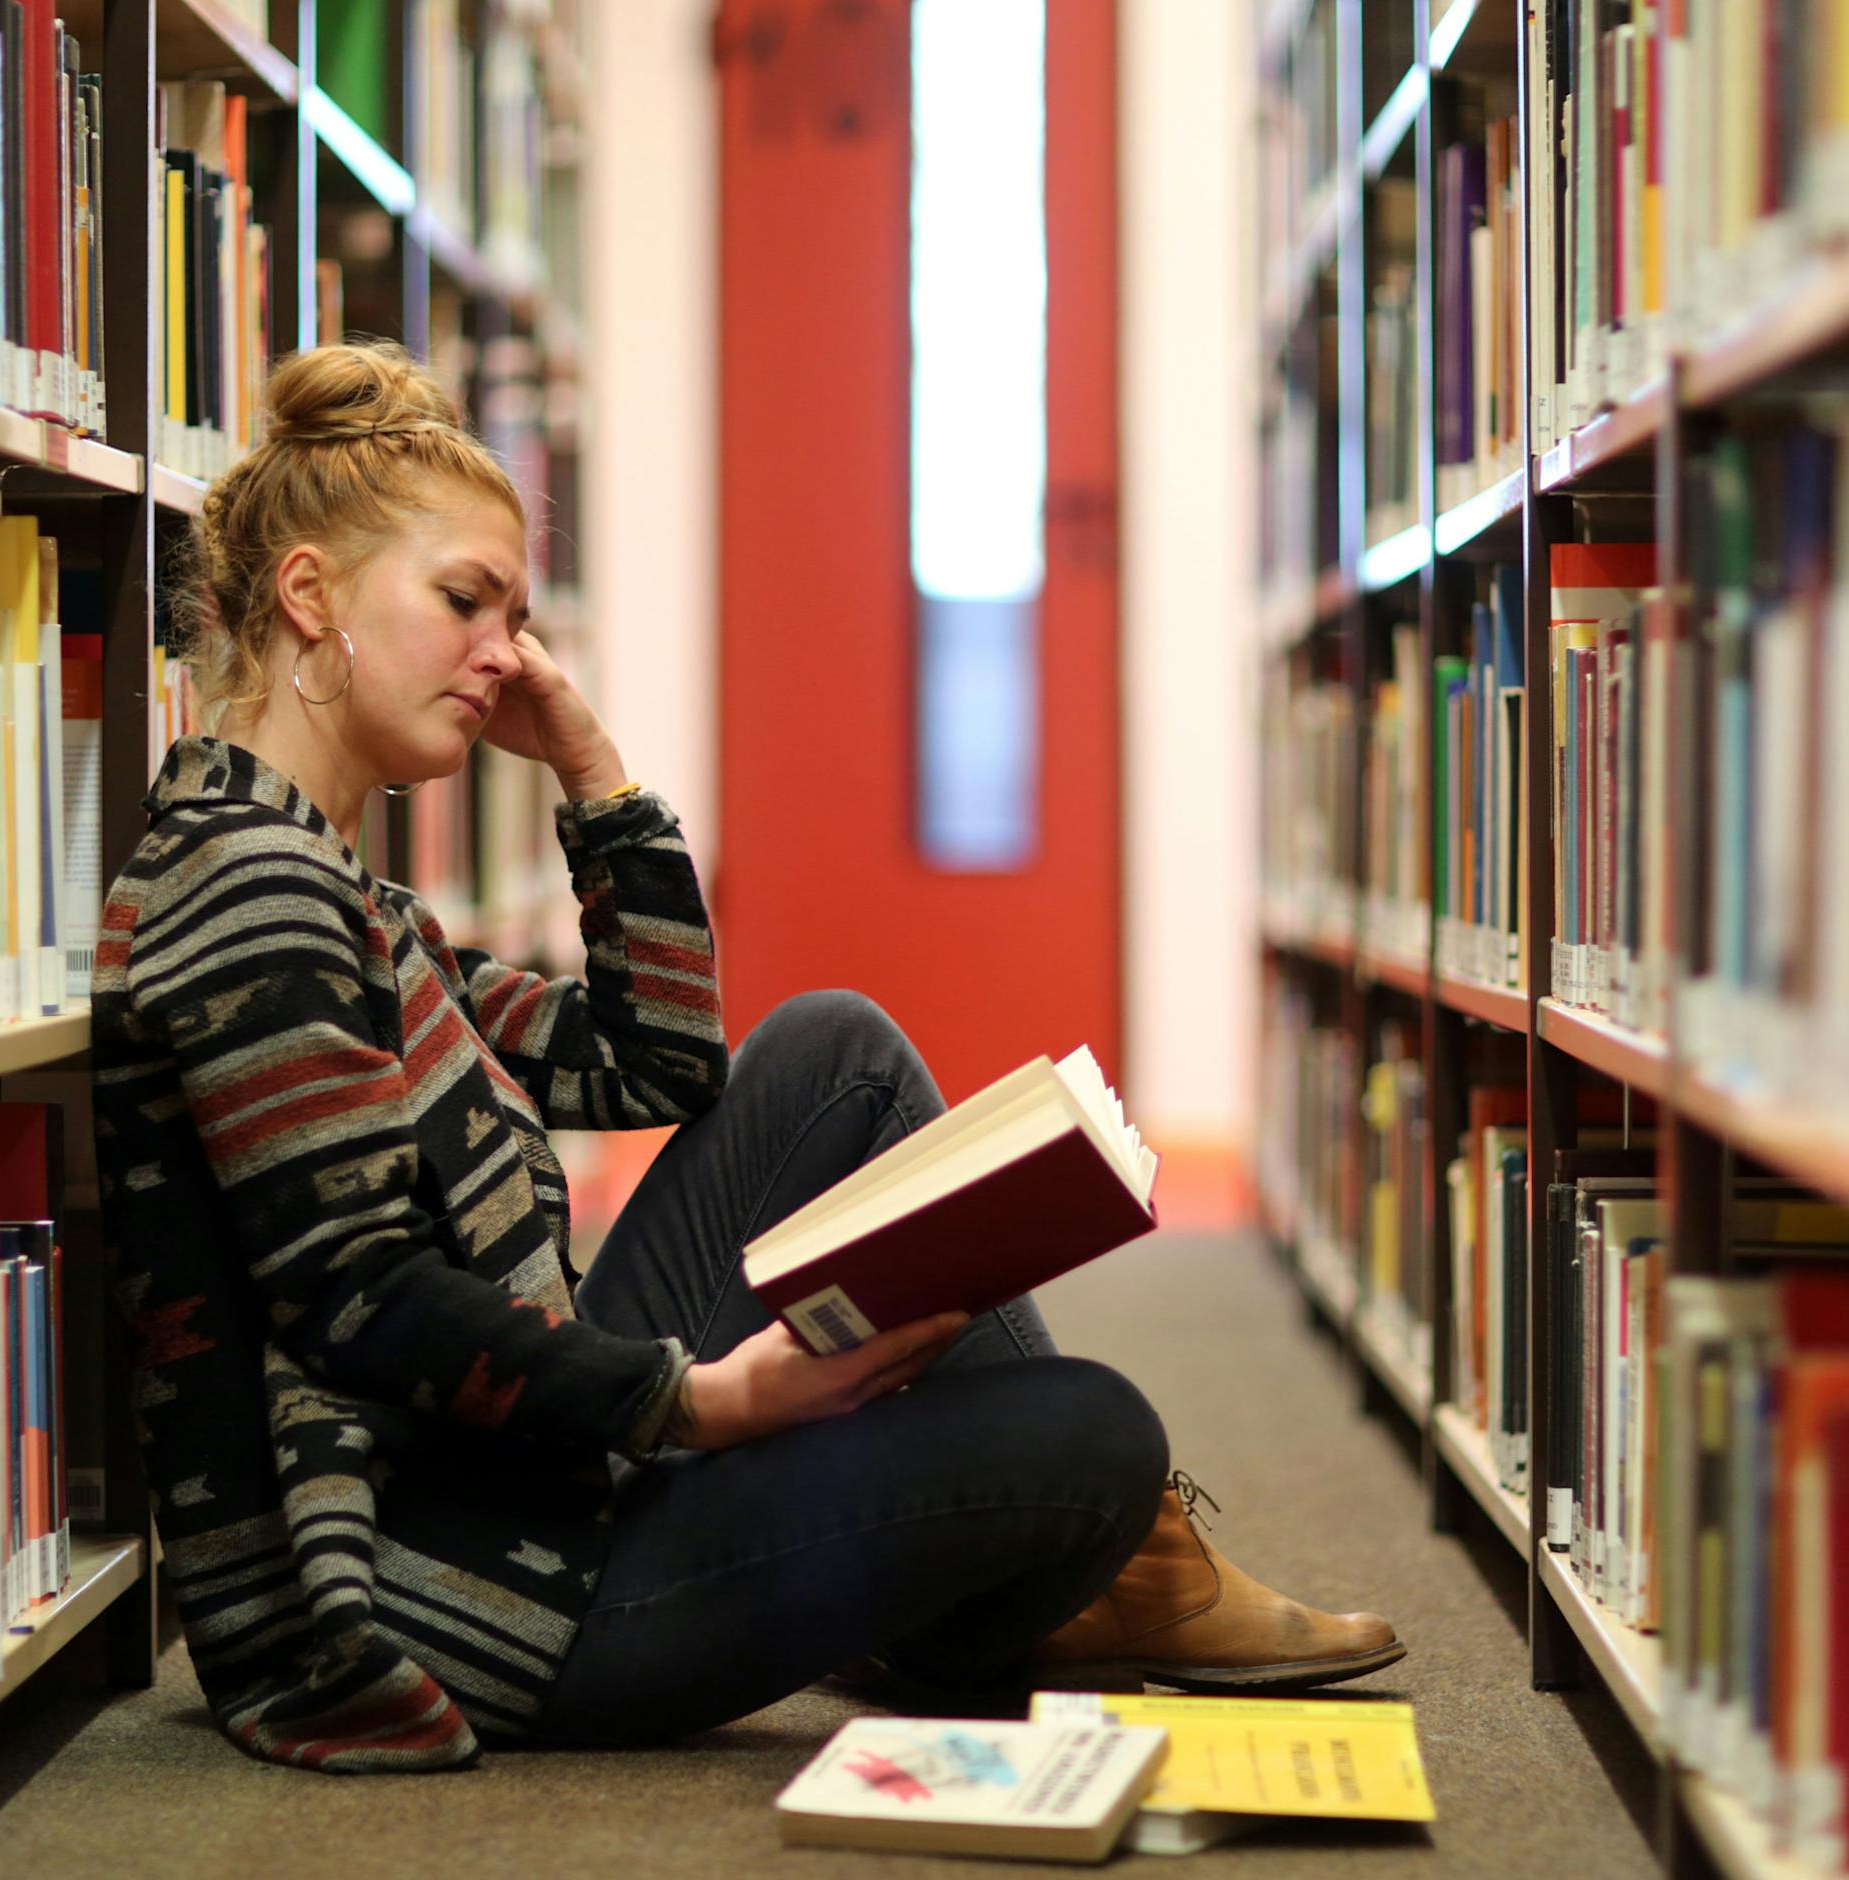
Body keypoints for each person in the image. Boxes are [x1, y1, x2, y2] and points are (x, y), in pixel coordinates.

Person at [91, 341, 1402, 1774]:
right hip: (455, 1596)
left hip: (520, 1484)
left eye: (518, 617)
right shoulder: (249, 896)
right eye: (466, 602)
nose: (507, 655)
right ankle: (1076, 1581)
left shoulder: (350, 899)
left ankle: (1087, 1579)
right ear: (310, 598)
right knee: (1093, 1434)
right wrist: (706, 1404)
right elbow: (364, 1307)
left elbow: (659, 1071)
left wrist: (595, 776)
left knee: (835, 1052)